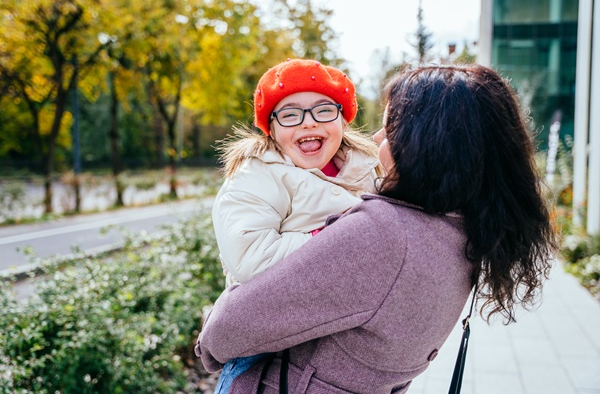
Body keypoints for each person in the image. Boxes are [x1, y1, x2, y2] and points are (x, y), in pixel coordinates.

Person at [195, 64, 558, 393]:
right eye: (290, 114)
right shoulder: (461, 231)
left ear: (428, 142)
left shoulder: (380, 230)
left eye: (393, 126)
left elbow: (225, 330)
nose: (379, 138)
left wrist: (209, 340)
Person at [210, 58, 382, 393]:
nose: (308, 123)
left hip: (337, 339)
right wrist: (338, 237)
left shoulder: (368, 169)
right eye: (290, 114)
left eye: (323, 110)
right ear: (271, 129)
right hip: (266, 344)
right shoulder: (258, 173)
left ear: (343, 120)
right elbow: (250, 258)